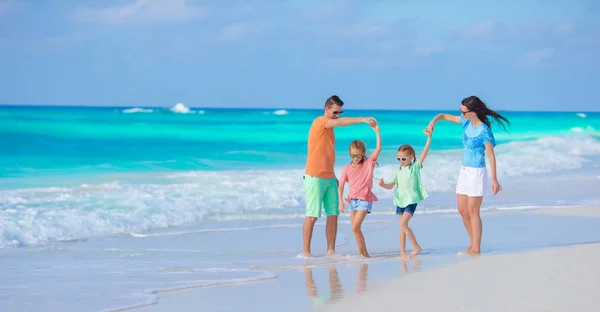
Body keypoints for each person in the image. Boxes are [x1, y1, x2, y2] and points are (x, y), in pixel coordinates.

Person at [425, 95, 510, 255]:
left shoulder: (484, 130)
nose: (461, 114)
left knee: (473, 211)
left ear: (473, 111)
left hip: (477, 172)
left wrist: (494, 179)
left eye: (464, 112)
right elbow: (443, 116)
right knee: (462, 210)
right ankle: (472, 244)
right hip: (464, 171)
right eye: (460, 111)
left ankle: (476, 248)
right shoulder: (466, 122)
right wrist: (432, 122)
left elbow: (491, 155)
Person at [302, 95, 377, 257]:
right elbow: (340, 123)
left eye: (339, 113)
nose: (337, 116)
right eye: (335, 112)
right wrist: (362, 119)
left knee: (333, 214)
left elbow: (325, 153)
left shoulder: (330, 130)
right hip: (314, 177)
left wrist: (334, 175)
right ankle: (306, 253)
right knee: (312, 215)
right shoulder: (320, 122)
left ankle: (331, 251)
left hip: (329, 177)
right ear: (326, 109)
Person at [378, 130, 432, 260]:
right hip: (400, 200)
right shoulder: (398, 170)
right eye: (399, 158)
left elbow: (424, 153)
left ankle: (416, 247)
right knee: (402, 227)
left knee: (403, 224)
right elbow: (391, 185)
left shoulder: (415, 167)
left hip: (411, 199)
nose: (401, 161)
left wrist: (429, 138)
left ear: (411, 157)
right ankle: (402, 252)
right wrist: (383, 185)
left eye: (403, 158)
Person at [338, 123, 382, 257]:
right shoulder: (346, 168)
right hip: (352, 200)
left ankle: (364, 255)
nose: (356, 158)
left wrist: (377, 131)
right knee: (356, 229)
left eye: (358, 156)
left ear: (363, 153)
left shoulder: (368, 164)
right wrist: (340, 202)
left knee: (355, 227)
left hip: (364, 199)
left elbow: (379, 148)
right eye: (352, 156)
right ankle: (362, 254)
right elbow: (341, 185)